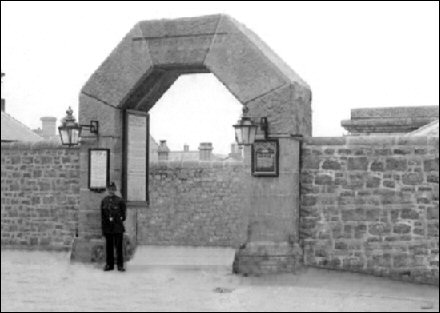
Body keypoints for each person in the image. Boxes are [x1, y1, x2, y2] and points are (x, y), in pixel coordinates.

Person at [101, 182, 126, 272]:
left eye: (112, 189)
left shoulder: (120, 201)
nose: (111, 191)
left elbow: (123, 216)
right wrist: (103, 229)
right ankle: (109, 265)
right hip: (108, 228)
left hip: (117, 227)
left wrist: (116, 220)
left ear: (115, 190)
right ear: (107, 190)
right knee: (109, 247)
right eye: (109, 189)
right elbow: (103, 216)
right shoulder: (104, 201)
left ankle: (120, 265)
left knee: (119, 248)